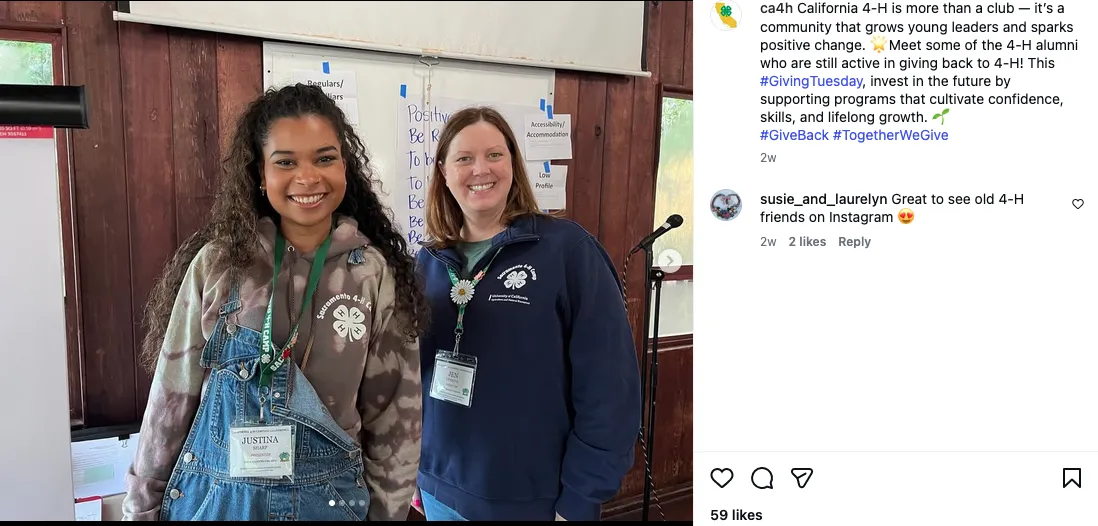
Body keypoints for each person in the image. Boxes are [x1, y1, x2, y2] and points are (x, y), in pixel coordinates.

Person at [121, 83, 429, 521]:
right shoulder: (219, 265)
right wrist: (141, 507)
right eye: (286, 162)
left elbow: (395, 415)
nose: (308, 177)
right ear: (261, 176)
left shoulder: (372, 275)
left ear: (345, 167)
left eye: (324, 158)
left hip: (330, 504)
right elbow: (171, 395)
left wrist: (388, 514)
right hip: (219, 503)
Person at [411, 106, 642, 521]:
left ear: (513, 164)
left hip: (535, 501)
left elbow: (610, 386)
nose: (481, 169)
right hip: (439, 491)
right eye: (464, 158)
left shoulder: (567, 250)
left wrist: (581, 496)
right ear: (443, 172)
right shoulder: (427, 261)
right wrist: (413, 470)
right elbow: (411, 379)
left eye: (494, 155)